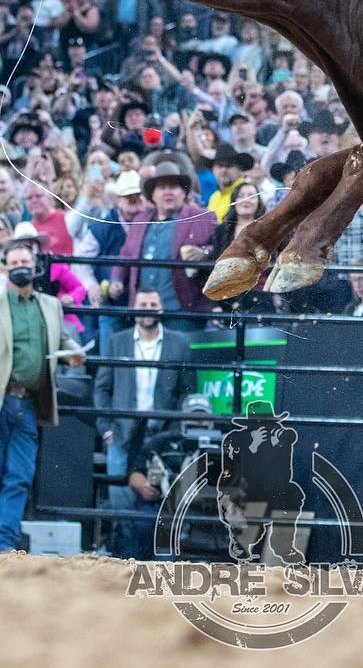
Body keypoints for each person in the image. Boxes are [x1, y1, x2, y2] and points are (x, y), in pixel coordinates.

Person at [92, 289, 192, 557]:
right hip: (123, 431)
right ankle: (123, 560)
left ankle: (158, 560)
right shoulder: (117, 341)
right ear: (135, 309)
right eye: (142, 304)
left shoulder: (179, 343)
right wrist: (107, 428)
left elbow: (186, 390)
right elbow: (102, 388)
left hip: (161, 433)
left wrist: (176, 430)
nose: (148, 308)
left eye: (153, 303)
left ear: (160, 309)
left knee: (161, 496)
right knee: (121, 501)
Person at [0, 239, 86, 552]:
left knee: (20, 474)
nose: (19, 268)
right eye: (13, 264)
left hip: (27, 402)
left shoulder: (50, 305)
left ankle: (4, 545)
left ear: (35, 268)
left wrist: (74, 354)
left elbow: (63, 339)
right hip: (2, 397)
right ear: (5, 268)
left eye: (25, 263)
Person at [108, 163, 219, 325]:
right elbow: (125, 256)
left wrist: (206, 253)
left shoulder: (204, 217)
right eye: (161, 187)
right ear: (152, 195)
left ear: (184, 192)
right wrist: (116, 280)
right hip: (143, 311)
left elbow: (224, 248)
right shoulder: (140, 220)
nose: (168, 191)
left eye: (173, 186)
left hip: (182, 310)